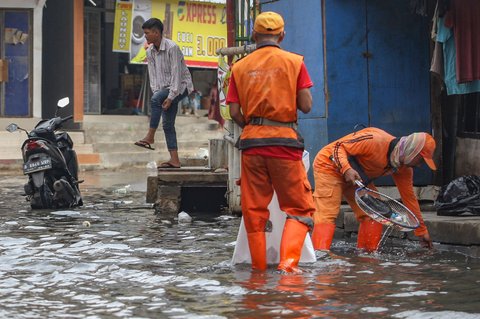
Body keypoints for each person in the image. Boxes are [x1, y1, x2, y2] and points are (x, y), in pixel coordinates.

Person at [226, 11, 316, 273]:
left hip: (251, 145)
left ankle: (257, 273)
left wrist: (255, 127)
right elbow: (307, 105)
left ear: (254, 35)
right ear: (282, 35)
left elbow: (233, 113)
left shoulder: (239, 67)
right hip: (284, 145)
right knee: (300, 208)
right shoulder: (294, 62)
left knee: (254, 211)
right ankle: (288, 268)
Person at [311, 127, 437, 252]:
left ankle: (367, 255)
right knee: (327, 214)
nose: (419, 165)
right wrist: (346, 169)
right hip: (329, 166)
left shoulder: (403, 168)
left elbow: (409, 198)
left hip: (357, 177)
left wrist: (421, 231)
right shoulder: (375, 140)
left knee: (375, 213)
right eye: (420, 160)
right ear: (413, 151)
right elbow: (338, 147)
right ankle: (320, 256)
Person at [134, 18, 194, 169]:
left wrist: (170, 96)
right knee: (167, 124)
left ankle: (150, 136)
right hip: (165, 89)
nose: (145, 36)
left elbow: (177, 74)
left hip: (181, 86)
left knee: (156, 99)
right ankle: (175, 160)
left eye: (147, 33)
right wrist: (161, 96)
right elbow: (153, 78)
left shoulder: (172, 47)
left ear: (156, 32)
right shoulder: (149, 52)